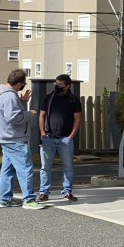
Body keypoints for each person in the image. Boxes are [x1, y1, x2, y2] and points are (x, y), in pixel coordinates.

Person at [0, 69, 45, 210]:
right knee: (25, 169)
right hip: (15, 138)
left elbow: (9, 112)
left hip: (5, 138)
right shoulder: (10, 96)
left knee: (7, 171)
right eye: (24, 84)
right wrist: (29, 114)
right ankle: (28, 200)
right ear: (19, 83)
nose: (24, 86)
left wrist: (22, 102)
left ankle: (5, 199)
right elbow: (13, 117)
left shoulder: (1, 94)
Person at [37, 74, 82, 202]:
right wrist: (42, 133)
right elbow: (42, 115)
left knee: (68, 167)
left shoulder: (73, 100)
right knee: (45, 167)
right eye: (56, 84)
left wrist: (71, 136)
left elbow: (77, 118)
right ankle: (44, 192)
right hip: (48, 137)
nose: (57, 86)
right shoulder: (49, 98)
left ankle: (67, 192)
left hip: (65, 139)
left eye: (60, 85)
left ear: (67, 86)